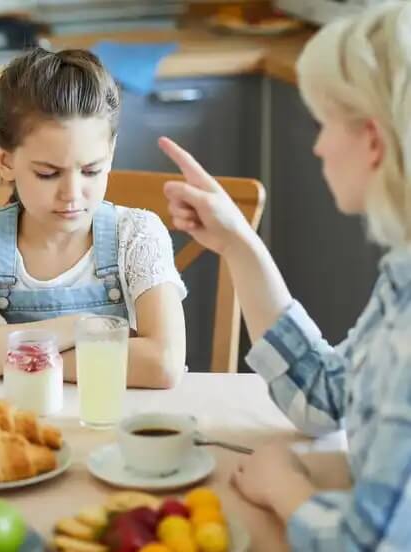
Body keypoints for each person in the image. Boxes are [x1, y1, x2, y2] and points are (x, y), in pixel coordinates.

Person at [159, 2, 411, 548]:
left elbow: (365, 545)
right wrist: (239, 245)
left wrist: (284, 489)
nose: (317, 144)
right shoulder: (401, 279)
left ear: (372, 139)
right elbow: (325, 397)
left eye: (324, 123)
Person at [0, 48, 187, 388]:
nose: (72, 193)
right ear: (5, 160)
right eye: (48, 173)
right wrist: (82, 326)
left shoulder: (138, 234)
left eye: (91, 170)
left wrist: (11, 346)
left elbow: (163, 364)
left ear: (110, 153)